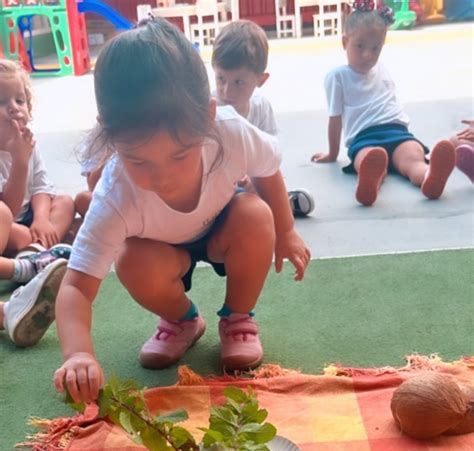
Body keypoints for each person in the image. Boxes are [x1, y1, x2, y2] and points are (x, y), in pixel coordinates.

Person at [53, 19, 310, 404]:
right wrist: (78, 354)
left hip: (225, 226)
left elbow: (268, 169)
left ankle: (238, 317)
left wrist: (287, 231)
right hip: (159, 249)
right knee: (130, 259)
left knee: (257, 216)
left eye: (179, 155)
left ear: (208, 116)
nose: (163, 177)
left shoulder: (231, 131)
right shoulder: (114, 195)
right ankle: (182, 320)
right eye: (139, 161)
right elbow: (74, 286)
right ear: (110, 136)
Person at [311, 0, 456, 206]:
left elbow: (391, 104)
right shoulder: (337, 76)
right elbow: (335, 119)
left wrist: (334, 155)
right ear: (345, 42)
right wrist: (332, 154)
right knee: (368, 157)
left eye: (375, 48)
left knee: (412, 159)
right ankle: (373, 178)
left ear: (382, 46)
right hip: (364, 137)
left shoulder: (382, 69)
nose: (367, 54)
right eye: (359, 45)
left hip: (397, 132)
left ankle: (429, 177)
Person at [212, 20, 315, 218]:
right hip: (217, 192)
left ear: (261, 80)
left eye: (239, 82)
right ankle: (285, 204)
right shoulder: (210, 108)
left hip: (253, 185)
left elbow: (272, 156)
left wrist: (255, 179)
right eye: (220, 78)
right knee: (245, 212)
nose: (227, 90)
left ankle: (282, 203)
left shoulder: (261, 107)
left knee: (258, 201)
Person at [0, 59, 75, 252]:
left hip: (28, 216)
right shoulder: (20, 152)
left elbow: (40, 187)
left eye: (19, 100)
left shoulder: (28, 142)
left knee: (65, 202)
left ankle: (40, 249)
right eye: (1, 102)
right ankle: (44, 247)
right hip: (7, 224)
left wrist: (41, 219)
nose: (14, 108)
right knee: (21, 235)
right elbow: (8, 210)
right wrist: (20, 161)